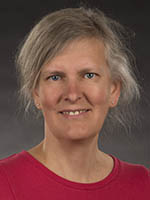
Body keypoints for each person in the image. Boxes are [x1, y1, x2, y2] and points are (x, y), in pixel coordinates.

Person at [0, 6, 149, 199]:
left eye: (89, 75)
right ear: (35, 92)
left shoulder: (143, 184)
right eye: (55, 77)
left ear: (114, 90)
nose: (72, 94)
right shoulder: (4, 183)